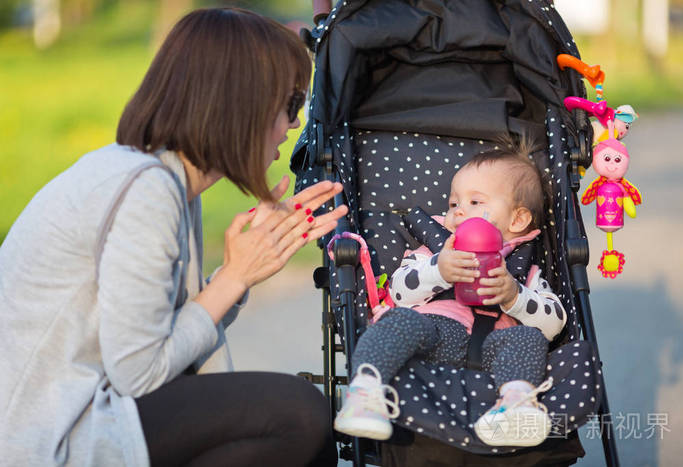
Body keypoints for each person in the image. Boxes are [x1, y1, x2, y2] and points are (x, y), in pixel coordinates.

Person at [0, 8, 348, 467]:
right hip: (50, 438)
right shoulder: (145, 192)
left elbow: (163, 343)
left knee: (304, 424)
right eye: (290, 105)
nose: (293, 125)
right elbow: (142, 375)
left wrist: (236, 274)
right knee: (297, 414)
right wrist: (234, 279)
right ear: (243, 104)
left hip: (88, 410)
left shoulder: (166, 181)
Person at [333, 140, 567, 447]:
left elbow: (554, 325)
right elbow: (400, 291)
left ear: (517, 220)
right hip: (436, 334)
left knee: (529, 338)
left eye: (474, 202)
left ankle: (515, 404)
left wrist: (514, 296)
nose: (458, 212)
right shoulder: (434, 249)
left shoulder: (525, 271)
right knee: (400, 321)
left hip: (497, 351)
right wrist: (438, 271)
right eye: (454, 204)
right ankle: (365, 392)